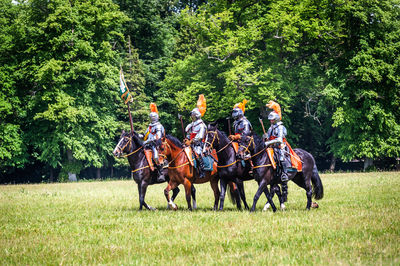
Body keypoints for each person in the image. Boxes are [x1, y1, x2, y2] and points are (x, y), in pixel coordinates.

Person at [263, 100, 289, 202]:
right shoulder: (271, 128)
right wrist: (265, 137)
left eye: (272, 120)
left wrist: (269, 142)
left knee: (281, 156)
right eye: (270, 120)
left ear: (276, 119)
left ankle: (284, 174)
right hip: (272, 147)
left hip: (280, 146)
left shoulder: (281, 127)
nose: (271, 121)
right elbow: (268, 138)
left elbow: (279, 139)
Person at [184, 94, 207, 178]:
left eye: (192, 115)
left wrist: (191, 141)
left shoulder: (202, 125)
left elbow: (200, 136)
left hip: (199, 144)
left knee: (197, 153)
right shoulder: (192, 125)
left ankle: (202, 170)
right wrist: (186, 139)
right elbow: (189, 133)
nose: (191, 116)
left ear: (196, 115)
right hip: (190, 143)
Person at [142, 103, 166, 183]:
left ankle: (161, 172)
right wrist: (135, 134)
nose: (151, 119)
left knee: (156, 156)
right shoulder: (150, 126)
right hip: (148, 144)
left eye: (152, 117)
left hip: (156, 145)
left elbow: (157, 137)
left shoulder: (159, 126)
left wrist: (146, 141)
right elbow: (144, 136)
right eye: (150, 118)